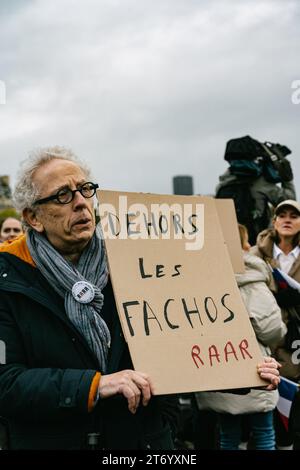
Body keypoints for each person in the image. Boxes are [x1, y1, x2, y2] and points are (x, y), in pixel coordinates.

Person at [0, 147, 281, 450]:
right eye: (62, 196)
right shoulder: (9, 280)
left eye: (85, 189)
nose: (81, 203)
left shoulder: (138, 260)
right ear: (33, 217)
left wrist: (241, 372)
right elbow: (7, 383)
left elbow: (183, 348)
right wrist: (94, 386)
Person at [194, 224, 286, 450]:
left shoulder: (199, 278)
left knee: (227, 435)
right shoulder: (252, 280)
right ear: (244, 246)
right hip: (254, 371)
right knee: (264, 433)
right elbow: (272, 328)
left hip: (217, 368)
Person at [251, 199, 300, 449]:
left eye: (294, 215)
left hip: (297, 344)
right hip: (267, 343)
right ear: (274, 221)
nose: (288, 219)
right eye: (282, 215)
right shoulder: (255, 255)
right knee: (270, 416)